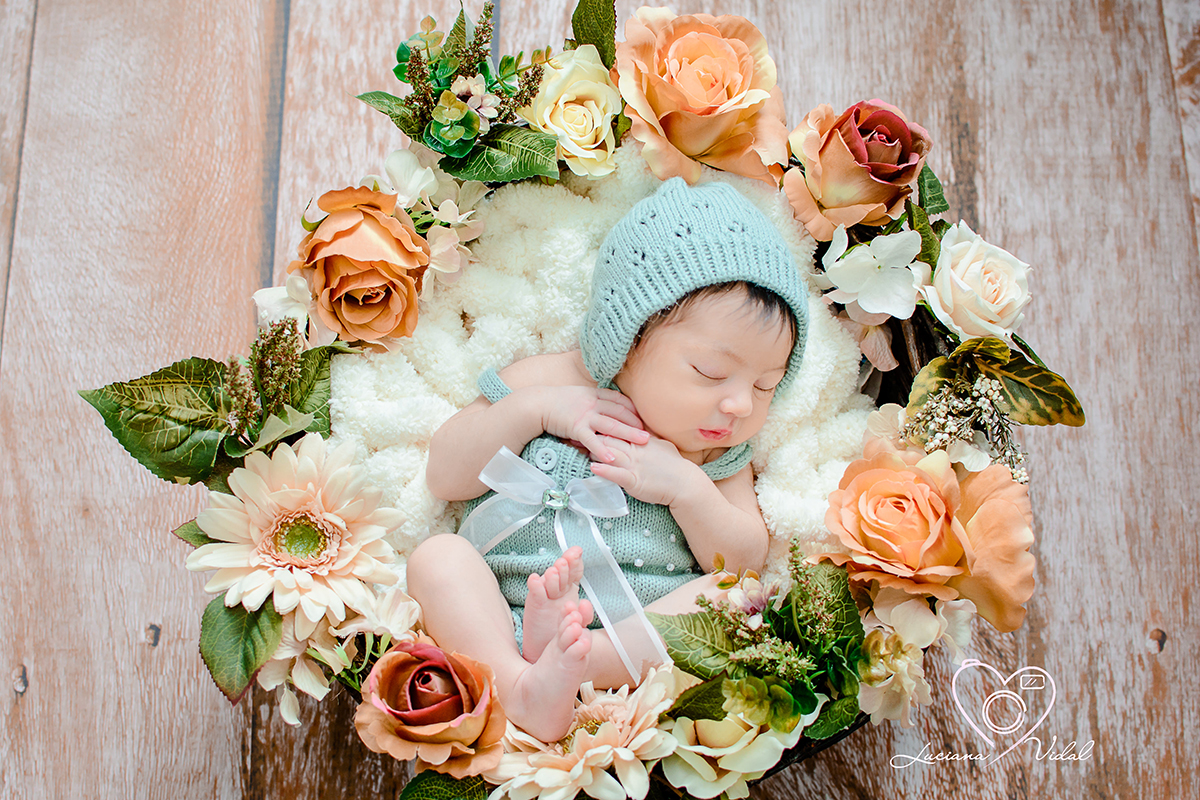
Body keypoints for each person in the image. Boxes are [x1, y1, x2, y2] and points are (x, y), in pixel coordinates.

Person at [408, 178, 810, 741]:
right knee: (436, 557)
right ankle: (521, 683)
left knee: (738, 599)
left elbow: (741, 558)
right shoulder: (546, 381)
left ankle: (573, 662)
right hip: (504, 611)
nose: (740, 404)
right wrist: (536, 411)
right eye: (711, 374)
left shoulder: (713, 451)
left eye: (767, 386)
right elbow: (444, 474)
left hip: (630, 640)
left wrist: (687, 489)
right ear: (624, 339)